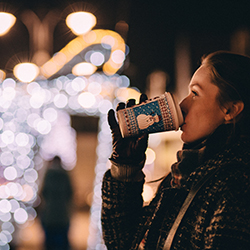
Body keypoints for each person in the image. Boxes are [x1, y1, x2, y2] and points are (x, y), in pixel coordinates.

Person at [101, 51, 250, 249]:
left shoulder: (236, 186)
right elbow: (122, 243)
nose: (182, 104)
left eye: (195, 93)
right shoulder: (185, 177)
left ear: (230, 110)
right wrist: (125, 169)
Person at [39, 156, 73, 250]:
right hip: (62, 215)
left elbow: (43, 192)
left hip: (50, 215)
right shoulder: (65, 175)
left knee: (50, 242)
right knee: (62, 242)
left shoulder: (48, 175)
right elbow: (70, 193)